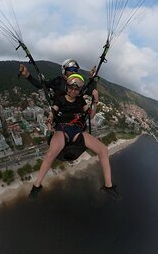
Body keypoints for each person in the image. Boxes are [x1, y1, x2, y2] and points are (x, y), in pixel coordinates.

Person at [27, 72, 120, 200]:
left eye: (76, 89)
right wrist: (49, 119)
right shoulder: (60, 99)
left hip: (77, 131)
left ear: (79, 91)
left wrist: (96, 101)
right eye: (71, 88)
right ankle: (37, 186)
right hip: (62, 130)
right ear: (67, 87)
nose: (73, 91)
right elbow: (53, 111)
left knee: (103, 149)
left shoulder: (81, 101)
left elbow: (91, 115)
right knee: (50, 154)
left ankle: (108, 186)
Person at [19, 59, 100, 108]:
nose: (73, 71)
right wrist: (27, 75)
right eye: (70, 69)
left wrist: (92, 77)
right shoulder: (58, 81)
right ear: (64, 70)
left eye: (75, 70)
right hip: (59, 112)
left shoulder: (78, 83)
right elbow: (41, 85)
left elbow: (90, 91)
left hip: (74, 112)